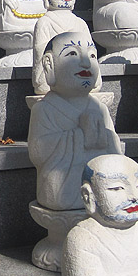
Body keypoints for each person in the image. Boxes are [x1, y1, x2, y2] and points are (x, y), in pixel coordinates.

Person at [28, 32, 121, 211]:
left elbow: (115, 151)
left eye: (92, 55)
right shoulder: (45, 108)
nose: (86, 63)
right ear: (49, 64)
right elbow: (38, 153)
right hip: (65, 186)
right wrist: (80, 135)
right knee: (59, 193)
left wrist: (105, 137)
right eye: (72, 54)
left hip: (101, 182)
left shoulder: (100, 108)